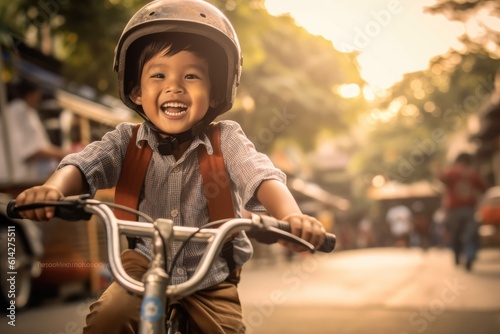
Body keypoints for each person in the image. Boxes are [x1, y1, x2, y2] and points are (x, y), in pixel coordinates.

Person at [14, 1, 327, 333]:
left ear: (216, 91)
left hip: (210, 277)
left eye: (191, 75)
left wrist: (291, 216)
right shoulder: (124, 140)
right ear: (136, 91)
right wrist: (53, 189)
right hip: (140, 269)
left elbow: (261, 175)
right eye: (158, 74)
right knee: (108, 319)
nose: (174, 86)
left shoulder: (227, 139)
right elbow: (83, 165)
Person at [0, 79, 68, 185]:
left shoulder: (27, 110)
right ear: (31, 94)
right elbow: (30, 150)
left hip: (25, 177)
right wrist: (63, 153)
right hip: (16, 178)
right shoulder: (18, 110)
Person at [439, 152, 487, 271]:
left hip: (453, 210)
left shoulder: (451, 172)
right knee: (469, 234)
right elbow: (484, 188)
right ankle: (470, 256)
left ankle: (457, 254)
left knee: (455, 234)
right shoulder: (473, 173)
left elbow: (442, 179)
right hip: (469, 209)